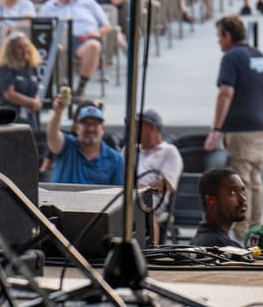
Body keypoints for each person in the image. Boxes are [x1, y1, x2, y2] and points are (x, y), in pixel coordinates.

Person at [203, 15, 263, 237]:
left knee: (241, 181)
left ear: (228, 35)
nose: (218, 42)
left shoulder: (231, 57)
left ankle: (244, 234)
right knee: (255, 178)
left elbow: (226, 93)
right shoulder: (260, 56)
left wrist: (216, 129)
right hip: (262, 127)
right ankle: (256, 227)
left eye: (219, 37)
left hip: (240, 129)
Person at [38, 0, 110, 99]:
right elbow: (40, 29)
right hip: (59, 42)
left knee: (94, 46)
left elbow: (106, 25)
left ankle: (80, 88)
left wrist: (98, 32)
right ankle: (60, 88)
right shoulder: (48, 7)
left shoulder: (88, 2)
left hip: (84, 40)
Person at [134, 109, 183, 242]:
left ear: (152, 128)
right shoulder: (130, 150)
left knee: (144, 204)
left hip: (154, 198)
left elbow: (168, 184)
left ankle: (151, 252)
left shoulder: (169, 151)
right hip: (124, 195)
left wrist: (140, 191)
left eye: (139, 126)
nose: (134, 130)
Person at [47, 99, 124, 185]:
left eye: (95, 124)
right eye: (86, 124)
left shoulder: (115, 159)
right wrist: (58, 113)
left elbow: (118, 193)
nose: (90, 129)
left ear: (103, 129)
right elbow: (52, 136)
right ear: (77, 128)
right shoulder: (66, 145)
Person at [193, 168, 248, 247]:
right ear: (211, 201)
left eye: (242, 191)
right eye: (232, 193)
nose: (243, 198)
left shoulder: (201, 240)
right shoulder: (222, 248)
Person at [0, 32, 42, 131]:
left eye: (26, 46)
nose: (25, 50)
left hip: (30, 118)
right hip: (10, 120)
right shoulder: (4, 68)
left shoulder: (32, 68)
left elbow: (36, 90)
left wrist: (36, 101)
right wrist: (32, 102)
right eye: (20, 48)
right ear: (11, 51)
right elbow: (9, 94)